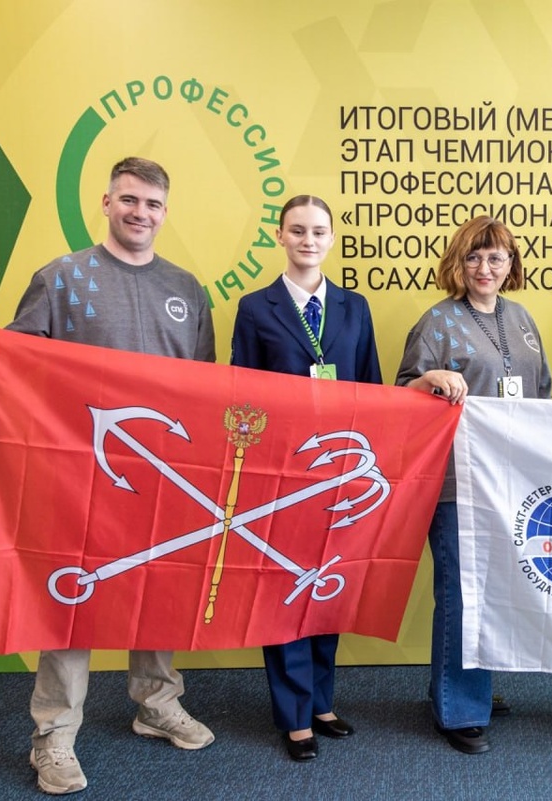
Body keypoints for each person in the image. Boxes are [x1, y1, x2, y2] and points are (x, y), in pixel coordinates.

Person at [0, 157, 216, 795]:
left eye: (152, 204)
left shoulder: (186, 289)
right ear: (106, 202)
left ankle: (157, 702)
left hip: (162, 476)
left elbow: (205, 386)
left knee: (156, 584)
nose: (140, 213)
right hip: (80, 472)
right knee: (71, 598)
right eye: (129, 200)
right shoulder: (62, 277)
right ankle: (54, 734)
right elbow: (17, 361)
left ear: (165, 212)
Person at [229, 195, 381, 762]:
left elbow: (370, 386)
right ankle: (293, 716)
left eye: (318, 231)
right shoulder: (255, 307)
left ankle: (321, 702)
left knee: (325, 584)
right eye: (297, 230)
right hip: (283, 472)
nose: (308, 240)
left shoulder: (354, 306)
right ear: (280, 235)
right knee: (284, 591)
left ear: (331, 238)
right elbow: (242, 393)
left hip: (340, 469)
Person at [396, 216, 552, 755]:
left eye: (496, 258)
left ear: (511, 265)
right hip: (456, 482)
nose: (485, 268)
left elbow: (541, 392)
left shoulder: (522, 318)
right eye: (474, 257)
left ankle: (467, 688)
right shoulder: (437, 322)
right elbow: (404, 393)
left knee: (494, 595)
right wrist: (429, 379)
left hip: (512, 483)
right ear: (458, 263)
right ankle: (458, 709)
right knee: (460, 594)